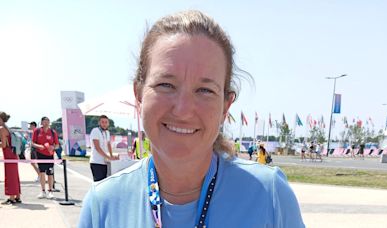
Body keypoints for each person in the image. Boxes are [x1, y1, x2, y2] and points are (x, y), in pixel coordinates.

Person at [79, 10, 304, 227]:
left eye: (205, 90)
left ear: (225, 106)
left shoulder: (268, 196)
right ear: (139, 95)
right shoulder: (103, 205)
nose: (183, 110)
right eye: (166, 85)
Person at [32, 116, 59, 199]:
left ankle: (50, 191)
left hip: (50, 155)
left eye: (48, 121)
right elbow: (32, 143)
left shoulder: (53, 132)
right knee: (42, 173)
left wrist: (53, 147)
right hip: (40, 154)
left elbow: (57, 145)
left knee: (50, 174)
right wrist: (39, 146)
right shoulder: (37, 131)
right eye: (44, 121)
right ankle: (43, 191)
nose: (46, 123)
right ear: (41, 123)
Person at [0, 112, 22, 205]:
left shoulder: (1, 129)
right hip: (13, 153)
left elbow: (4, 145)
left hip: (8, 153)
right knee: (14, 175)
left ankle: (11, 198)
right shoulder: (7, 128)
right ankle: (17, 196)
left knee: (10, 176)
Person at [89, 115, 118, 182]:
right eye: (102, 122)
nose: (104, 124)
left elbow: (108, 144)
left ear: (108, 123)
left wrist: (111, 156)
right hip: (96, 162)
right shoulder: (95, 131)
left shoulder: (107, 132)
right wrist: (108, 156)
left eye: (106, 122)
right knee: (98, 183)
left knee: (103, 182)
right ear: (99, 123)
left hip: (104, 162)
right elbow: (97, 147)